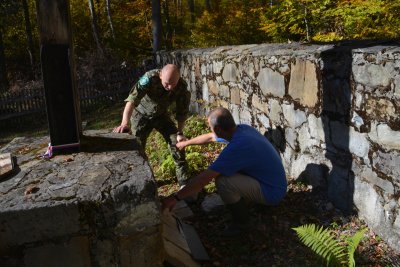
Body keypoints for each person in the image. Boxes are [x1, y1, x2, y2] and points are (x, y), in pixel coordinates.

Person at [162, 107, 287, 237]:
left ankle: (242, 223)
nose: (211, 130)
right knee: (227, 173)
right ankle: (245, 201)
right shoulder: (242, 130)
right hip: (273, 182)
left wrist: (175, 198)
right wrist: (185, 143)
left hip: (272, 192)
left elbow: (204, 179)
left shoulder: (237, 147)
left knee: (223, 181)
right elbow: (211, 138)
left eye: (210, 127)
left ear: (219, 129)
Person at [113, 64, 191, 186]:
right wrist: (124, 123)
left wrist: (180, 133)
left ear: (179, 79)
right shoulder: (149, 78)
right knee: (137, 150)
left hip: (161, 115)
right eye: (166, 83)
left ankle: (184, 182)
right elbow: (132, 100)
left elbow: (182, 112)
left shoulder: (181, 86)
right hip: (141, 115)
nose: (170, 87)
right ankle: (141, 182)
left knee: (177, 143)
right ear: (160, 75)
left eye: (173, 84)